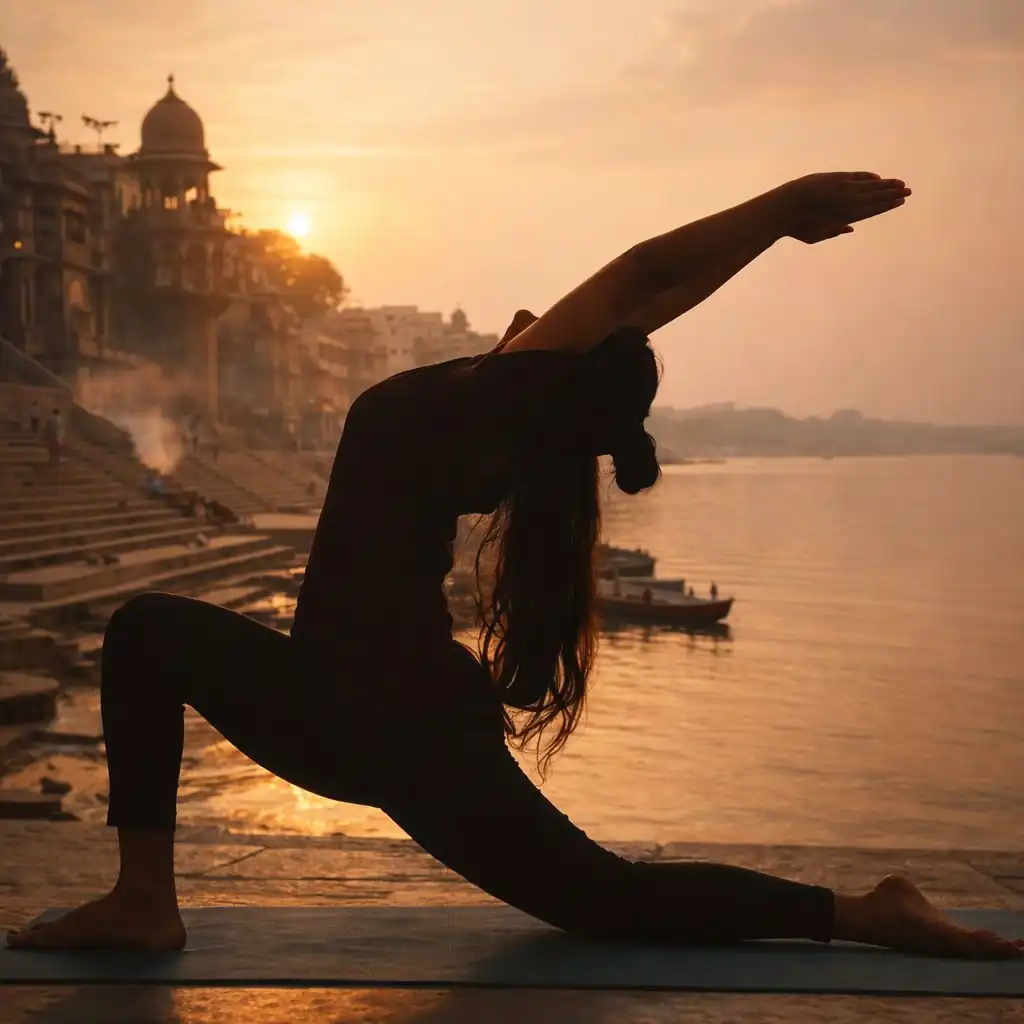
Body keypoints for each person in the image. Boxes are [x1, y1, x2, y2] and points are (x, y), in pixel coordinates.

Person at [7, 171, 1021, 960]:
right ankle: (144, 899)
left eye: (561, 329)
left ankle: (866, 911)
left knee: (607, 901)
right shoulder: (499, 420)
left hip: (372, 723)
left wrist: (779, 208)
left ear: (550, 372)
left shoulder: (477, 403)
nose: (546, 309)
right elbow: (639, 310)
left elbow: (637, 280)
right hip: (351, 712)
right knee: (144, 630)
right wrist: (762, 234)